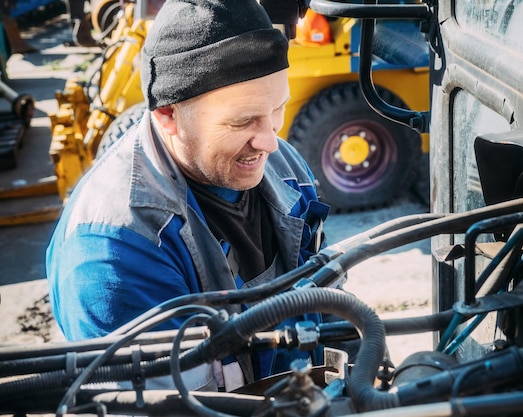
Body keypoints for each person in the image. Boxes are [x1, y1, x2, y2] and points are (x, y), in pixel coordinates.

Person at [46, 0, 333, 391]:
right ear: (167, 115)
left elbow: (330, 306)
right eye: (243, 120)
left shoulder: (284, 167)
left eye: (277, 110)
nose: (269, 141)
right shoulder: (114, 252)